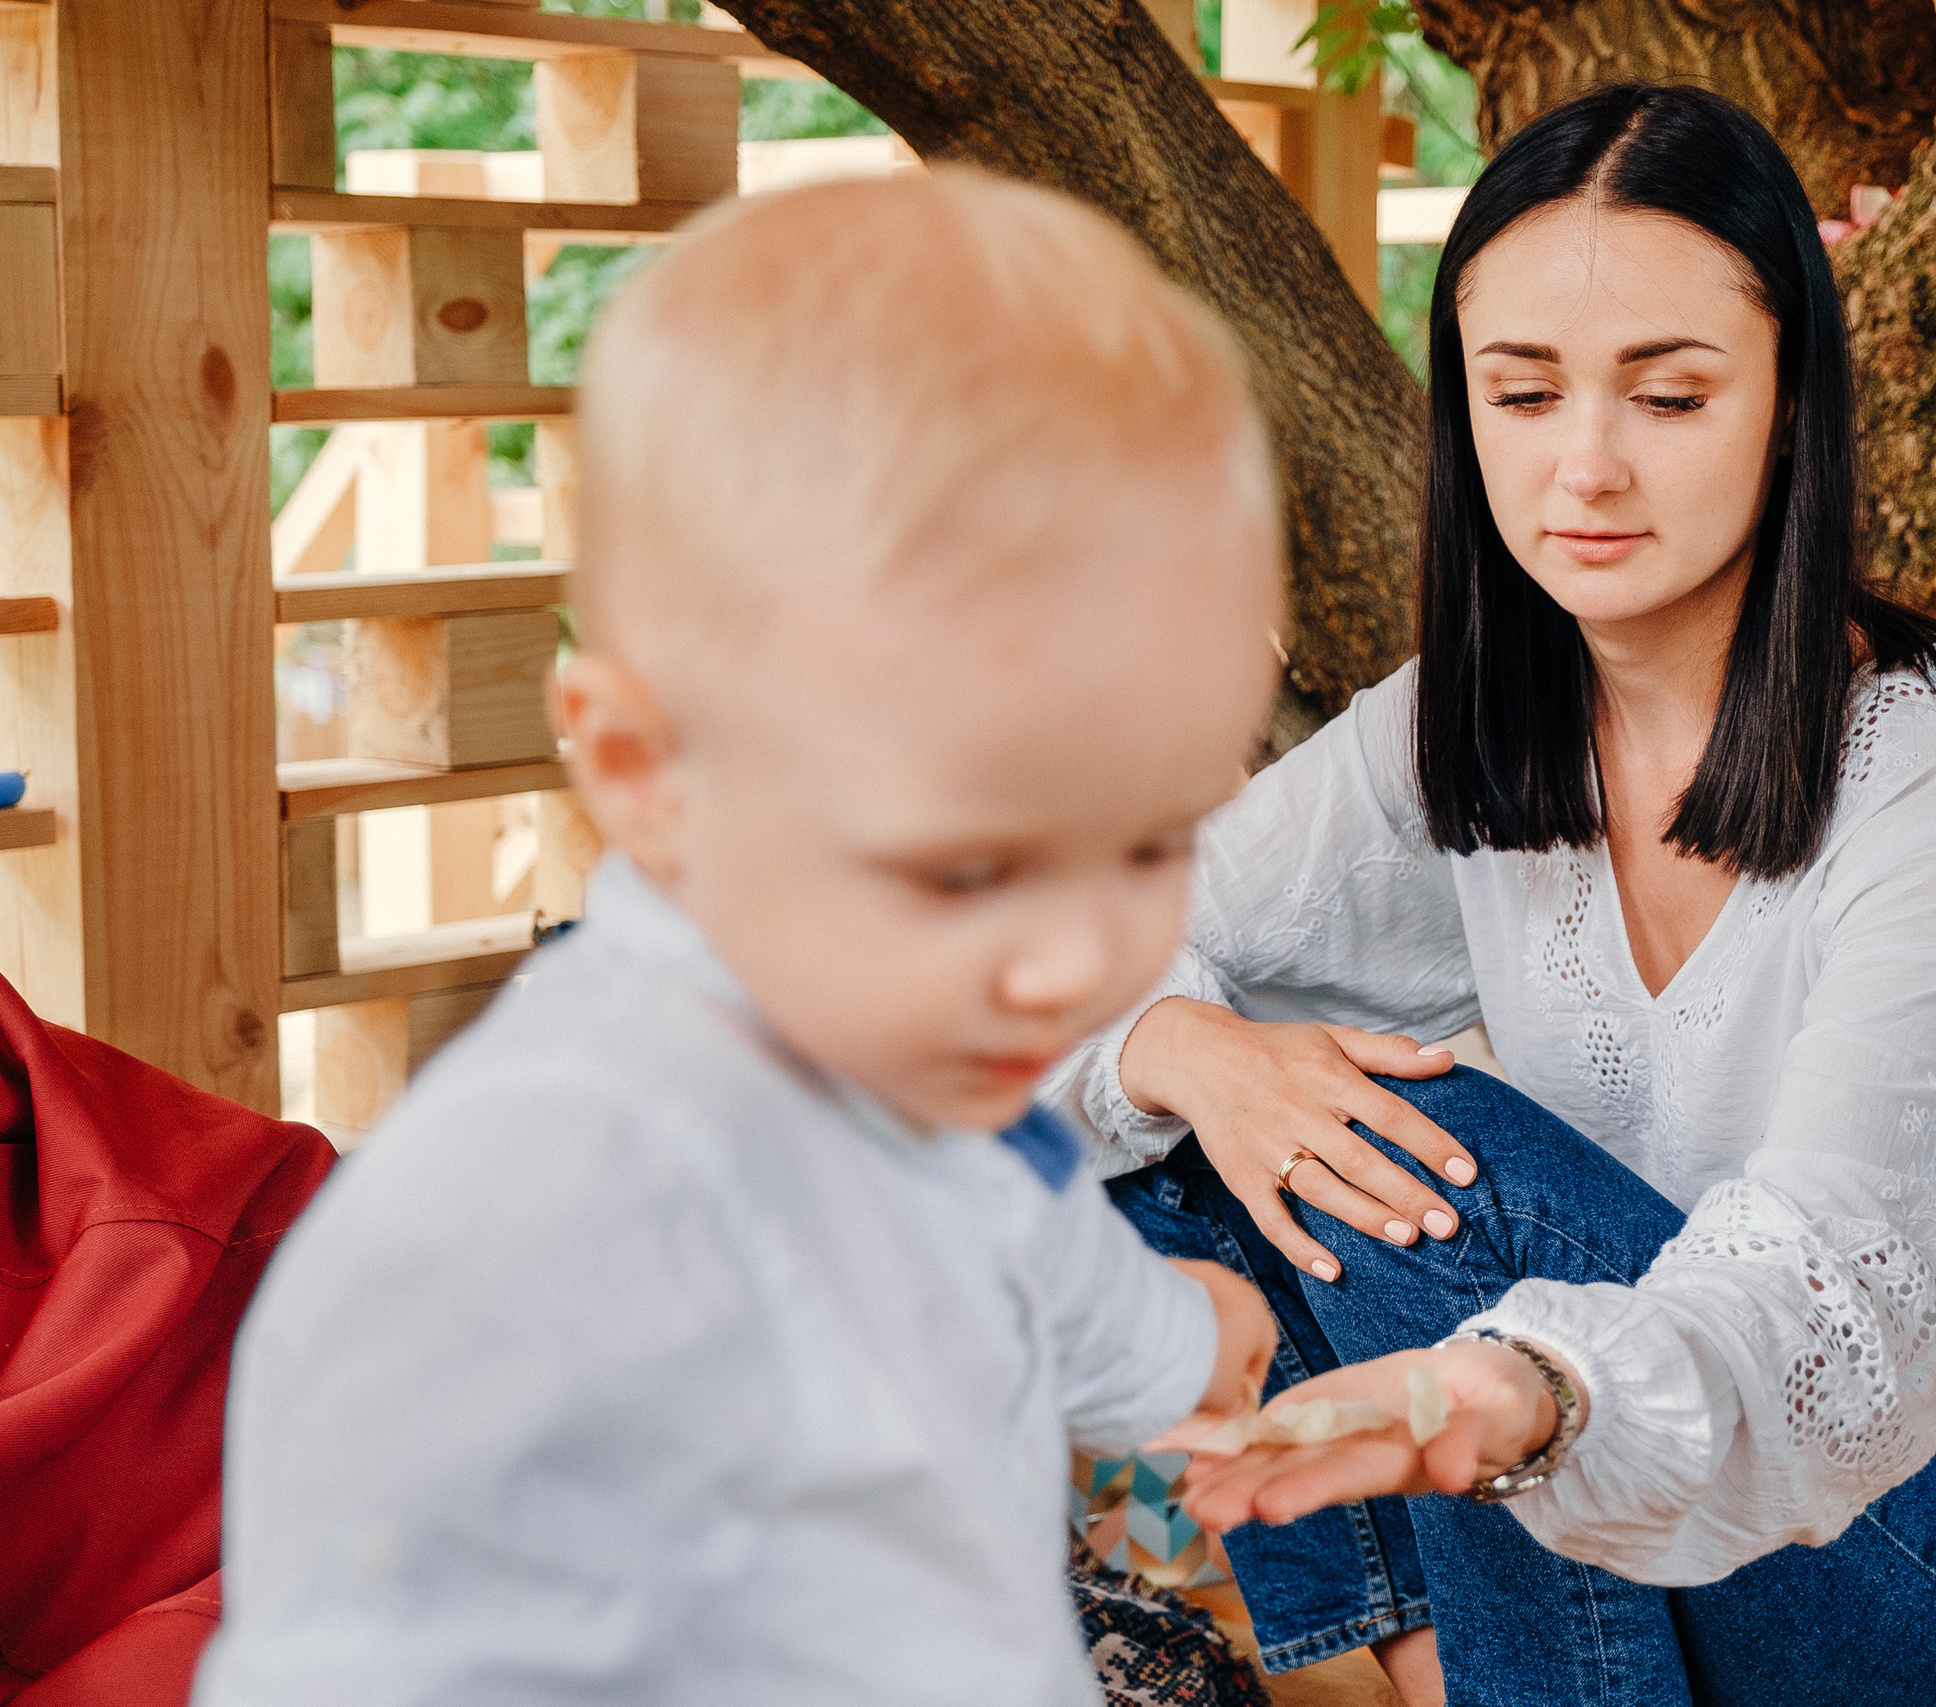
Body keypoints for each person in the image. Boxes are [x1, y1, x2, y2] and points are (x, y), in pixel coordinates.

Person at [1047, 85, 1936, 1707]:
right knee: (1166, 1124)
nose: (1585, 467)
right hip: (1642, 1456)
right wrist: (1182, 1047)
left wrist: (1529, 1387)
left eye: (1669, 396)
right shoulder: (1467, 723)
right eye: (1522, 394)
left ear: (1788, 403)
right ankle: (1405, 1665)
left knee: (1451, 1180)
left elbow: (1831, 1294)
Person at [195, 173, 1283, 1707]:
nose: (1076, 960)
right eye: (968, 867)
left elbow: (1021, 1240)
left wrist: (1189, 1347)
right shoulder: (532, 1210)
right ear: (647, 777)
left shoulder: (920, 1061)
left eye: (1155, 837)